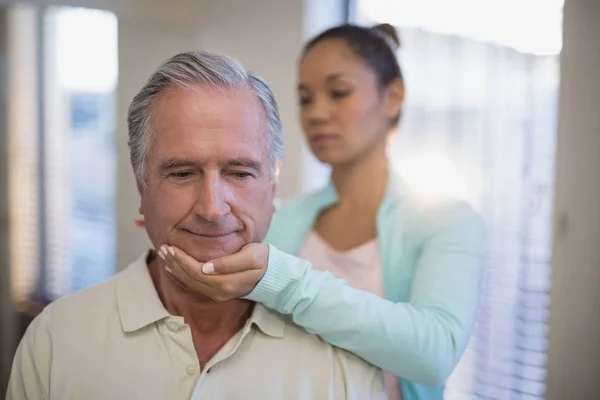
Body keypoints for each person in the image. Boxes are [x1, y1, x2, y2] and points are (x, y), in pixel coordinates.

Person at [6, 51, 388, 400]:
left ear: (272, 187)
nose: (211, 208)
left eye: (239, 172)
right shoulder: (58, 340)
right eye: (182, 173)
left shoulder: (342, 356)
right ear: (141, 186)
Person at [156, 24, 486, 400]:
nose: (317, 113)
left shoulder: (447, 221)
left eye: (338, 93)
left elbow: (435, 354)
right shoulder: (282, 219)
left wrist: (285, 281)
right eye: (305, 98)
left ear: (392, 97)